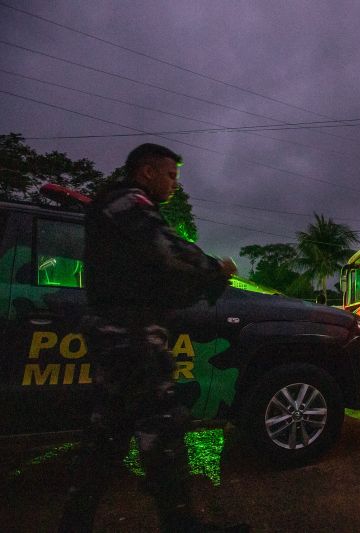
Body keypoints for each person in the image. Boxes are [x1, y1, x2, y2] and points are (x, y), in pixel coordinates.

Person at [59, 144, 242, 532]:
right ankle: (181, 524)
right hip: (131, 335)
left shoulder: (117, 205)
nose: (175, 183)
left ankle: (75, 522)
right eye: (170, 175)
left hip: (120, 333)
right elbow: (168, 249)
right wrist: (214, 268)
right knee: (161, 428)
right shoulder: (129, 202)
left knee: (107, 435)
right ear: (146, 172)